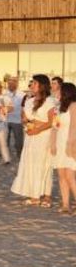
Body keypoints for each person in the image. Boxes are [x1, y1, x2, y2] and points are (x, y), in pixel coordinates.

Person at [11, 74, 57, 207]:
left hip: (44, 137)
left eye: (35, 83)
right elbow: (24, 118)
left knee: (44, 164)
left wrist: (38, 129)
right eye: (31, 83)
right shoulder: (29, 101)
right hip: (30, 137)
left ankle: (47, 196)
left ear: (42, 86)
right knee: (31, 164)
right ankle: (34, 195)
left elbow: (52, 121)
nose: (32, 86)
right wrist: (26, 122)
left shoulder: (50, 101)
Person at [50, 82, 76, 214]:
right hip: (60, 143)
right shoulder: (58, 108)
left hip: (71, 143)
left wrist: (70, 144)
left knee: (70, 175)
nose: (57, 92)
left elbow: (74, 127)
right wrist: (53, 144)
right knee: (61, 175)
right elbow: (54, 127)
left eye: (59, 90)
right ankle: (66, 204)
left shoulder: (74, 106)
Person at [5, 77, 26, 159]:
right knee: (5, 138)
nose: (10, 85)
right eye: (9, 83)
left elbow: (24, 107)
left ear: (17, 84)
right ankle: (5, 154)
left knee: (18, 139)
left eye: (13, 83)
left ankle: (19, 154)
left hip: (17, 120)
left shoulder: (22, 95)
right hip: (5, 120)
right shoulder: (4, 94)